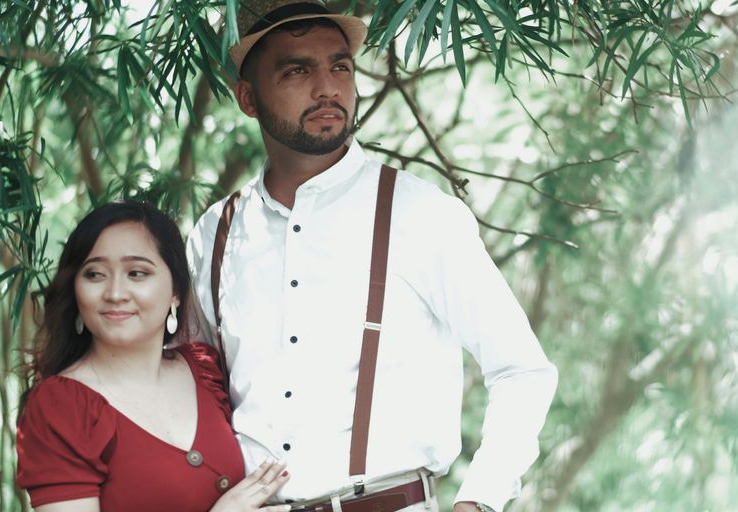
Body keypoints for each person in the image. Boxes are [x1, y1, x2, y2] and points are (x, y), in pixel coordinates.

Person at [186, 1, 559, 511]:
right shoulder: (215, 235)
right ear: (248, 99)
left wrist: (480, 500)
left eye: (340, 66)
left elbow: (521, 371)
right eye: (298, 70)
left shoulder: (422, 214)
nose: (328, 88)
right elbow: (188, 392)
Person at [16, 201, 292, 512]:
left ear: (176, 289)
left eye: (137, 273)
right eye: (94, 274)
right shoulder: (63, 407)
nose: (115, 293)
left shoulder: (203, 369)